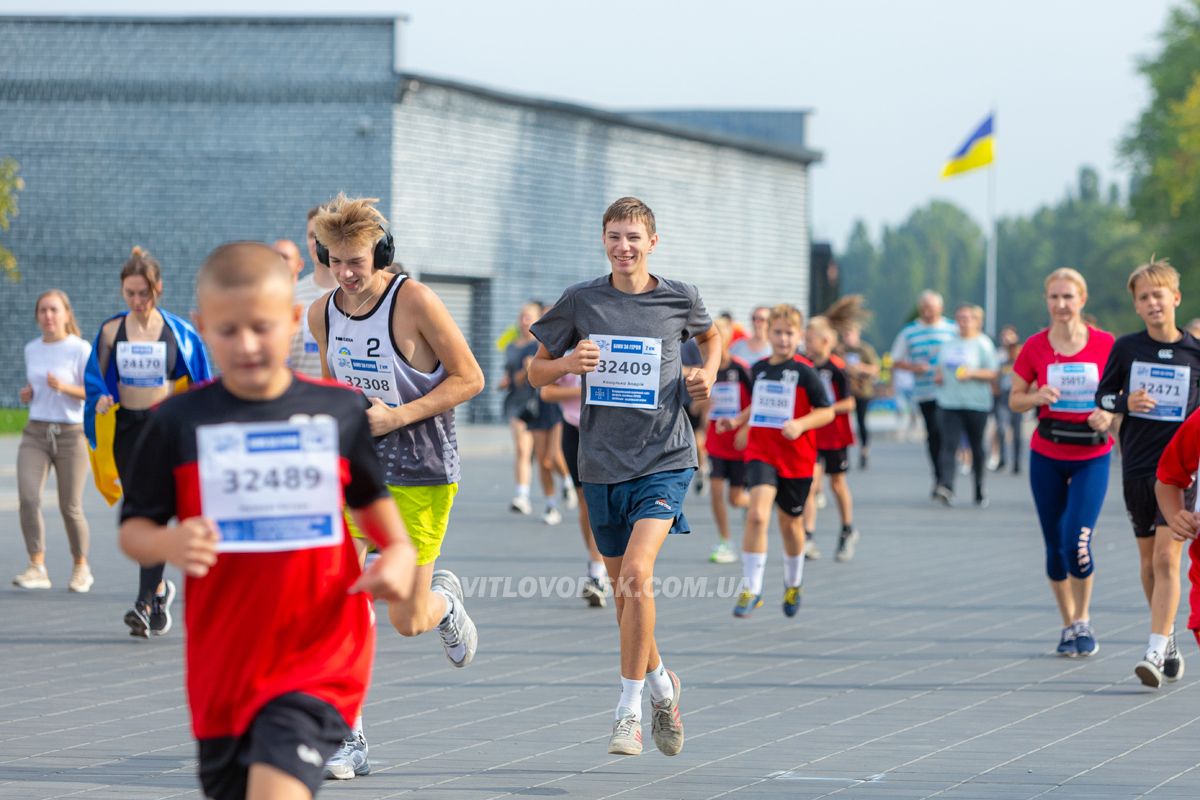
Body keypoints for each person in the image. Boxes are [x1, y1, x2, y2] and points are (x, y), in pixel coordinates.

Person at [117, 241, 418, 800]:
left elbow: (379, 515)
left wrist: (397, 558)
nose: (248, 344)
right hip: (224, 667)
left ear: (291, 321)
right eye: (229, 331)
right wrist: (171, 540)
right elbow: (133, 531)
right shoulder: (177, 423)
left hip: (321, 654)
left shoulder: (337, 410)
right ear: (204, 327)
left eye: (262, 327)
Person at [528, 196, 719, 758]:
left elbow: (710, 337)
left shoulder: (679, 297)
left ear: (652, 241)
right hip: (600, 463)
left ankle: (626, 713)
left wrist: (705, 373)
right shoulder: (582, 300)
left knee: (637, 573)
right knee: (624, 595)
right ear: (604, 240)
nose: (624, 246)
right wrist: (566, 364)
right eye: (614, 236)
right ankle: (663, 684)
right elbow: (534, 371)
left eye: (633, 237)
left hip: (665, 455)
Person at [308, 193, 483, 779]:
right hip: (355, 472)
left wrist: (398, 415)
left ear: (382, 253)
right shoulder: (322, 313)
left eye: (356, 260)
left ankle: (445, 601)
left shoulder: (415, 301)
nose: (347, 273)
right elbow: (339, 391)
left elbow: (471, 378)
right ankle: (347, 735)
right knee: (337, 595)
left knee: (408, 619)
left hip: (422, 470)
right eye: (335, 260)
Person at [84, 246, 211, 638]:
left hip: (163, 428)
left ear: (158, 289)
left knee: (155, 513)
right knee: (141, 509)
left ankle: (143, 603)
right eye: (130, 294)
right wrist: (101, 397)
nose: (137, 302)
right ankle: (157, 591)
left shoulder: (178, 332)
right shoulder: (110, 331)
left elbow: (201, 380)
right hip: (126, 428)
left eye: (144, 293)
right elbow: (94, 378)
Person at [1096, 259, 1200, 687]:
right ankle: (1168, 636)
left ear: (1175, 298)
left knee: (1165, 556)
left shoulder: (1196, 352)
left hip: (1182, 473)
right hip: (1138, 465)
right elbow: (1101, 397)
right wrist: (1125, 403)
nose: (1153, 302)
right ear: (1136, 306)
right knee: (1147, 562)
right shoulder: (1126, 349)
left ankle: (1155, 650)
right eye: (1144, 297)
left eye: (1159, 294)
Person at [1010, 268, 1113, 658]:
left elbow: (1121, 396)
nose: (1061, 305)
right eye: (1054, 297)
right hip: (1048, 454)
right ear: (1046, 301)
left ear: (1082, 300)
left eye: (1068, 297)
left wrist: (1110, 414)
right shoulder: (1036, 346)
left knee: (1077, 542)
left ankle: (1084, 618)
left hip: (1092, 456)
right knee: (1054, 547)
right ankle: (1068, 623)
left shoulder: (1105, 345)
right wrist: (1035, 397)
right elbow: (1014, 399)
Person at [717, 304, 833, 616]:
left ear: (800, 335)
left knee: (790, 524)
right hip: (761, 452)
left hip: (796, 458)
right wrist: (737, 421)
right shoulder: (759, 369)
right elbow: (758, 404)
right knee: (756, 515)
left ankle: (793, 582)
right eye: (777, 332)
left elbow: (827, 410)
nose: (783, 339)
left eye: (789, 333)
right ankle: (752, 589)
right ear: (769, 333)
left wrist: (800, 424)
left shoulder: (806, 372)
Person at [13, 290, 93, 592]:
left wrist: (64, 387)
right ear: (37, 316)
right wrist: (28, 393)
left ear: (67, 315)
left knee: (69, 506)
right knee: (29, 498)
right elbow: (34, 386)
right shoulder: (32, 349)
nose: (48, 316)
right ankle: (37, 566)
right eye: (43, 310)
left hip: (71, 434)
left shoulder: (79, 349)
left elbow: (92, 392)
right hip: (36, 431)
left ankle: (81, 567)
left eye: (54, 310)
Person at [540, 365, 610, 606]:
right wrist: (582, 391)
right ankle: (596, 570)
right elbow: (546, 392)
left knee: (610, 502)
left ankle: (609, 566)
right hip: (575, 429)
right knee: (586, 503)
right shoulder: (571, 347)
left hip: (612, 433)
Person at [502, 301, 576, 524]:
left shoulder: (559, 343)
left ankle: (568, 481)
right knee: (541, 460)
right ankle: (550, 505)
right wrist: (528, 371)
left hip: (557, 408)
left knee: (554, 457)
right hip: (533, 406)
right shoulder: (517, 346)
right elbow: (518, 379)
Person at [802, 317, 859, 562]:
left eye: (809, 339)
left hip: (835, 435)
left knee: (837, 484)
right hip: (812, 433)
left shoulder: (837, 368)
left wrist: (827, 409)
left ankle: (847, 529)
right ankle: (808, 536)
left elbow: (849, 402)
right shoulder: (804, 365)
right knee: (811, 485)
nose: (805, 343)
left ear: (825, 341)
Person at [890, 290, 957, 494]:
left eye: (932, 308)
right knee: (934, 434)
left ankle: (947, 481)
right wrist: (913, 368)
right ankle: (938, 477)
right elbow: (896, 360)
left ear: (941, 309)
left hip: (949, 392)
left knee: (947, 435)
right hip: (924, 392)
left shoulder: (952, 329)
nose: (928, 312)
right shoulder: (909, 332)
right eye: (924, 308)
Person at [933, 305, 999, 508]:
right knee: (949, 445)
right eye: (960, 318)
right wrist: (938, 375)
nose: (963, 322)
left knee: (977, 447)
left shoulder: (983, 344)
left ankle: (979, 487)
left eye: (968, 318)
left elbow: (993, 373)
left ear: (977, 321)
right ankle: (947, 487)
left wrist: (972, 373)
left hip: (976, 403)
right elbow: (940, 367)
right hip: (949, 402)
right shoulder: (948, 344)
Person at [703, 315, 753, 565]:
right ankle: (725, 540)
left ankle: (755, 501)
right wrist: (704, 403)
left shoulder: (742, 368)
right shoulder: (707, 371)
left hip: (740, 443)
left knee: (735, 499)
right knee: (715, 490)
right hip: (716, 441)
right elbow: (695, 410)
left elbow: (760, 402)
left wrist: (745, 428)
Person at [288, 211, 340, 379]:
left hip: (343, 396)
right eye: (312, 235)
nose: (316, 242)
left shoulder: (354, 294)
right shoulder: (292, 293)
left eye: (323, 234)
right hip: (301, 397)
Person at [838, 321, 879, 469]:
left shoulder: (865, 350)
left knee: (861, 421)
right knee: (843, 423)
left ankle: (864, 449)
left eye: (851, 333)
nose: (848, 337)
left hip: (862, 391)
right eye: (845, 334)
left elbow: (875, 369)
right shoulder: (839, 350)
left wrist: (861, 368)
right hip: (844, 391)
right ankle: (843, 454)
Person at [991, 325, 1023, 474]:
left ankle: (1016, 462)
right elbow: (994, 376)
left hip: (1016, 397)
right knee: (1002, 429)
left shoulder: (1022, 359)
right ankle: (1002, 459)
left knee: (1016, 431)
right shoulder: (999, 358)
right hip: (1002, 398)